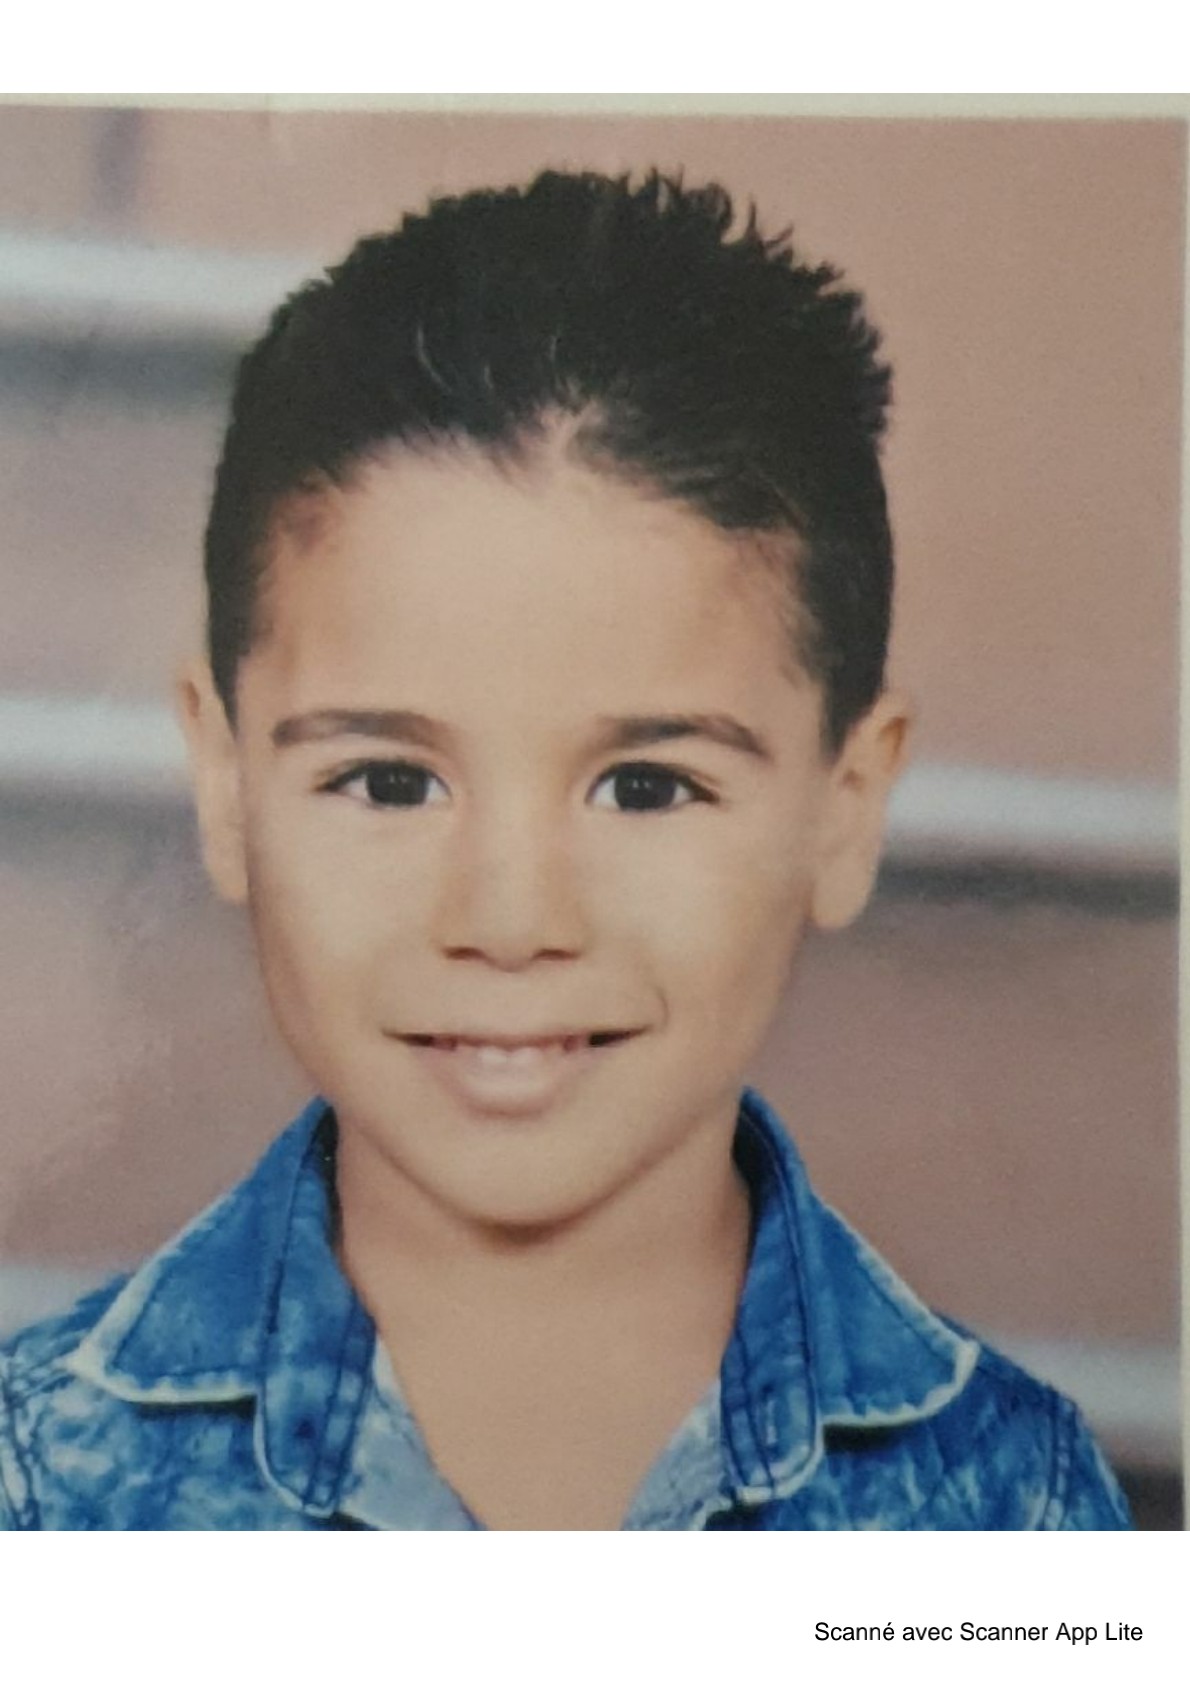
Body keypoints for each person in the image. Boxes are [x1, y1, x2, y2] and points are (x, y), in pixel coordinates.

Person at [0, 169, 1130, 1530]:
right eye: (390, 782)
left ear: (845, 805)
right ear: (226, 785)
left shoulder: (1011, 1503)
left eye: (645, 788)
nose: (511, 919)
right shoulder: (37, 1486)